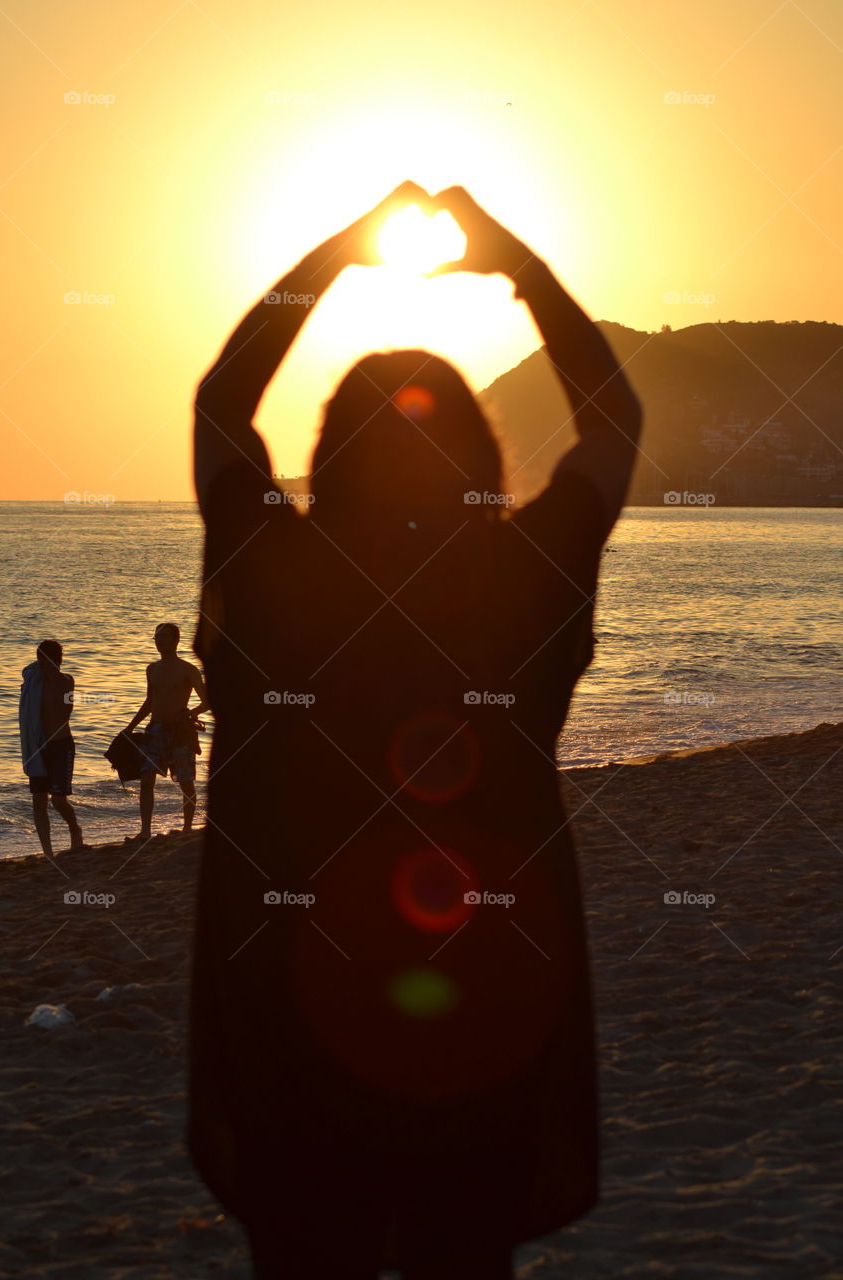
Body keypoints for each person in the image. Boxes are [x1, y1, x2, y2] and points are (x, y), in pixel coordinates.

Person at [188, 182, 642, 1280]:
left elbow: (222, 402)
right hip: (486, 996)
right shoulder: (526, 572)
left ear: (329, 453)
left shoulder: (273, 565)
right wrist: (516, 269)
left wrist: (338, 257)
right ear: (480, 460)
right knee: (461, 1253)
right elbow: (612, 417)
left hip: (293, 995)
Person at [123, 623, 208, 840]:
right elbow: (149, 702)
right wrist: (130, 727)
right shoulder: (152, 669)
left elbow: (207, 701)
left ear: (175, 640)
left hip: (181, 732)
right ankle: (145, 831)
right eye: (156, 637)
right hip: (156, 729)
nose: (159, 641)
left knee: (186, 781)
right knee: (146, 778)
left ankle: (187, 828)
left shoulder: (188, 669)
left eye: (164, 637)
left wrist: (190, 714)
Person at [19, 639, 85, 857]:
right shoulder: (32, 683)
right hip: (37, 747)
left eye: (50, 660)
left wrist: (52, 672)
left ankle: (74, 829)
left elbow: (66, 710)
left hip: (61, 746)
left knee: (58, 801)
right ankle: (47, 852)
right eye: (42, 660)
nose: (45, 665)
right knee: (38, 801)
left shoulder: (66, 681)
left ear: (58, 661)